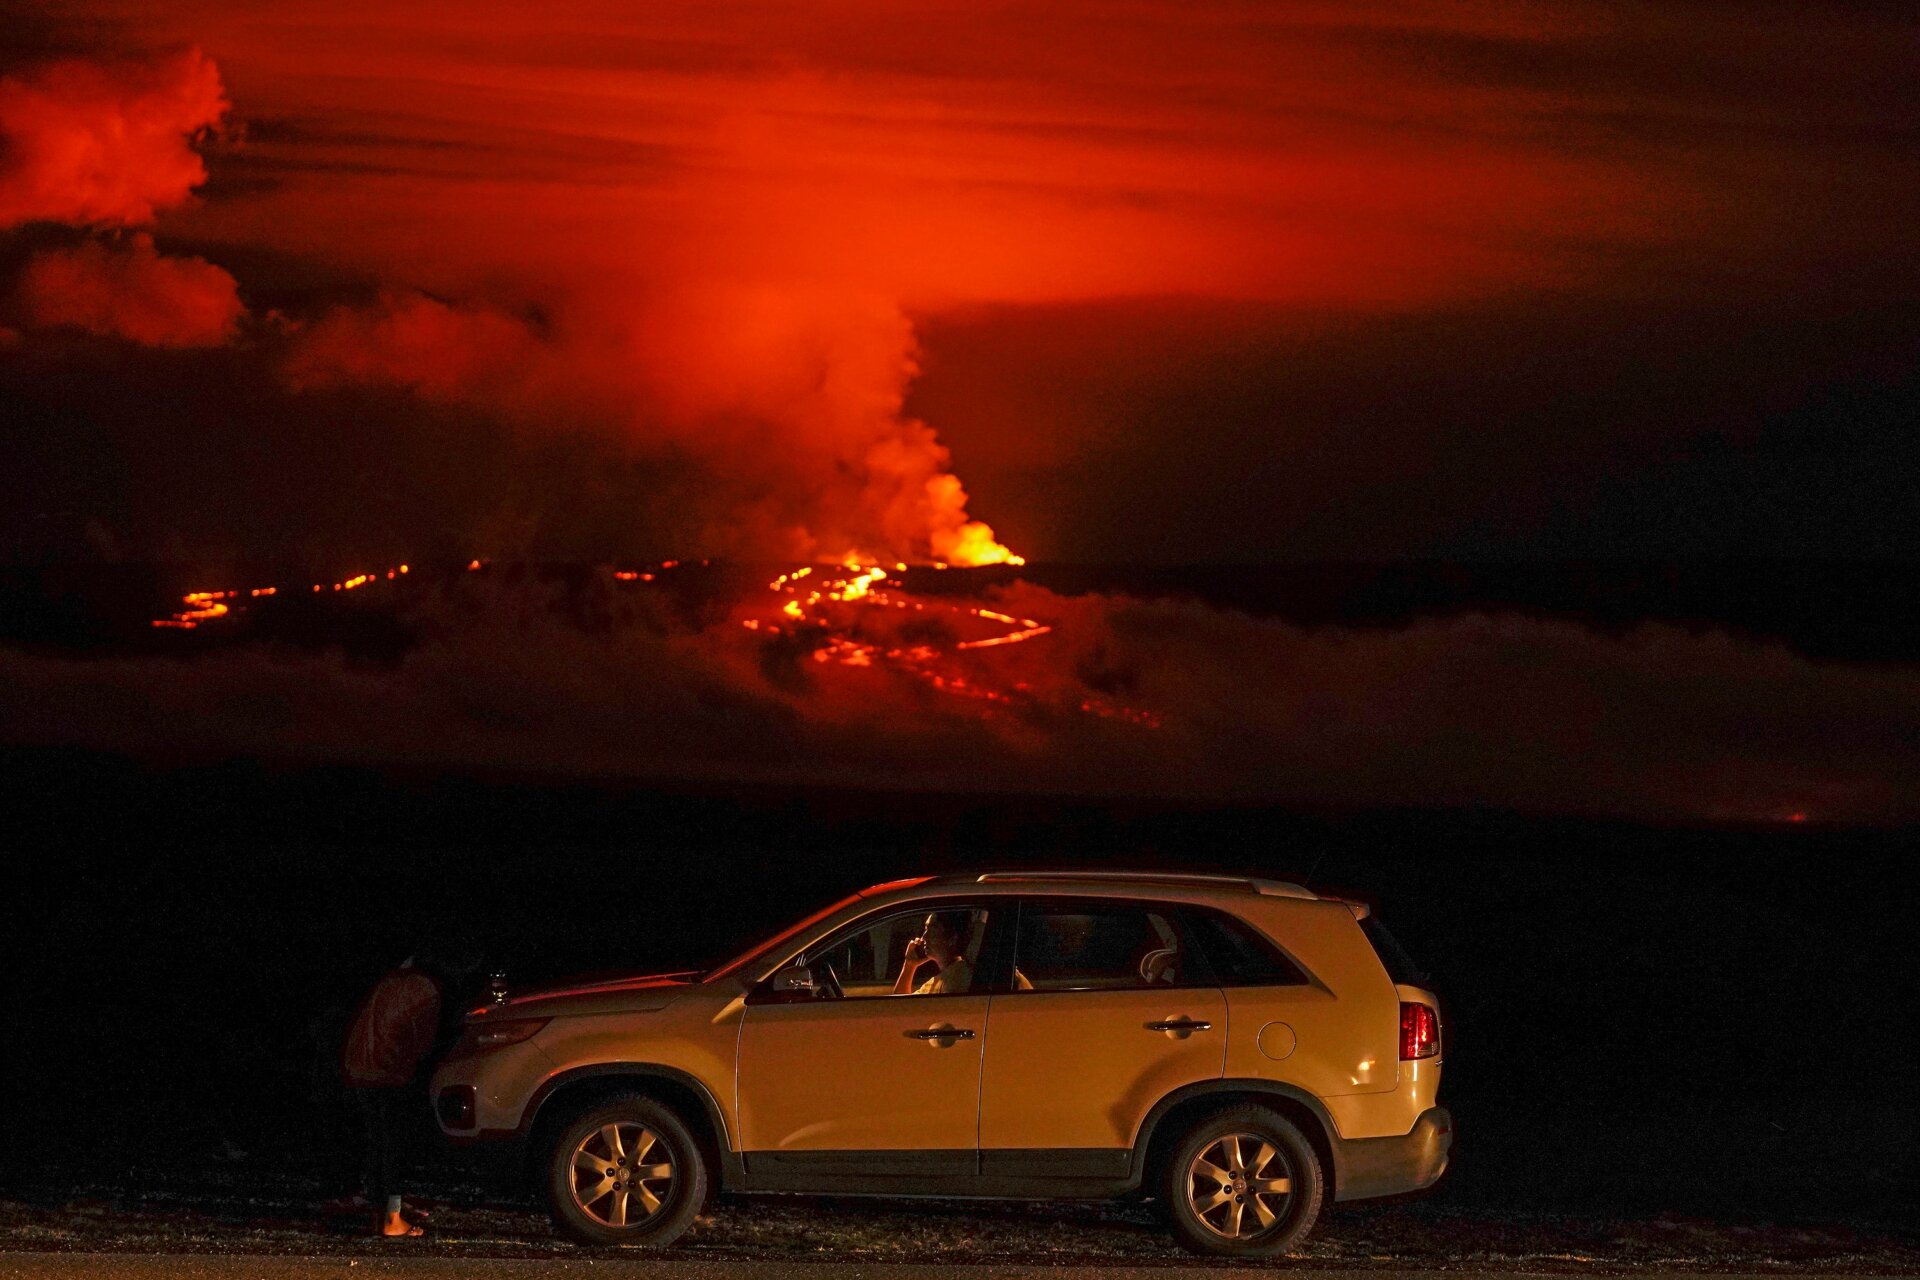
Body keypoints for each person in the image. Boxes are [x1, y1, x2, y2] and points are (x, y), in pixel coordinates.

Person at [338, 939, 478, 1238]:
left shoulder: (394, 979)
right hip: (388, 1069)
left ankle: (382, 1203)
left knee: (379, 1138)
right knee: (394, 1142)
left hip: (360, 1062)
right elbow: (424, 1041)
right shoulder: (426, 989)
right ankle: (392, 1218)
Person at [893, 911, 974, 995]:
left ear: (952, 938)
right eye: (926, 929)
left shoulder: (958, 977)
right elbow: (901, 1005)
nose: (924, 937)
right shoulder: (943, 977)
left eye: (932, 929)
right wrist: (909, 965)